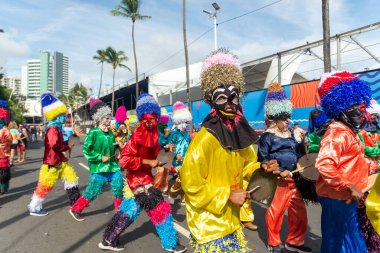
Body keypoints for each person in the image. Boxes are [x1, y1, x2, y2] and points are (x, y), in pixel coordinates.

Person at [181, 49, 260, 252]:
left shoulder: (238, 134)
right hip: (210, 227)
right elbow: (191, 184)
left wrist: (265, 170)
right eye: (222, 98)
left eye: (234, 98)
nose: (230, 104)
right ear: (212, 101)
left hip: (232, 221)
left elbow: (249, 166)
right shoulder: (205, 139)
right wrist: (226, 195)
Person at [99, 93, 186, 252]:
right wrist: (147, 162)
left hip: (146, 178)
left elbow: (156, 157)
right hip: (137, 180)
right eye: (147, 118)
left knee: (130, 209)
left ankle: (108, 239)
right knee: (160, 208)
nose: (150, 122)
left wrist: (170, 158)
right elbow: (124, 160)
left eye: (153, 118)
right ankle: (170, 244)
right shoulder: (136, 136)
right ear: (141, 118)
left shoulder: (153, 134)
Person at [316, 71, 371, 253]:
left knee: (353, 241)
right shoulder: (336, 133)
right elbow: (324, 164)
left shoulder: (350, 131)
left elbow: (355, 162)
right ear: (342, 108)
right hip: (337, 198)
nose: (360, 110)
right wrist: (348, 186)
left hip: (351, 197)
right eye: (355, 106)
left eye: (361, 106)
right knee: (334, 243)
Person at [258, 82, 311, 253]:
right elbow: (263, 160)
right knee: (276, 212)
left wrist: (304, 145)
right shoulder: (267, 137)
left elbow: (298, 154)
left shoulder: (290, 135)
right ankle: (273, 242)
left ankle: (294, 242)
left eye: (287, 119)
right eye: (284, 120)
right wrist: (277, 171)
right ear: (276, 119)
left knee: (300, 214)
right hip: (277, 181)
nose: (288, 122)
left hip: (294, 180)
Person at [69, 98, 123, 221]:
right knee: (93, 191)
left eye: (110, 118)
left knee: (118, 186)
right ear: (99, 118)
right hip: (99, 168)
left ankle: (118, 211)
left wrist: (118, 152)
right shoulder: (93, 133)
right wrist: (99, 157)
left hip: (113, 167)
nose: (110, 120)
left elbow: (113, 148)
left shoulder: (110, 133)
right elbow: (86, 151)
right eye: (107, 118)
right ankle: (75, 209)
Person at [28, 93, 81, 216]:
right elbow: (54, 145)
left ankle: (76, 203)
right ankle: (34, 208)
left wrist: (73, 138)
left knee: (71, 179)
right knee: (45, 185)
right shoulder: (52, 129)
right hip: (52, 162)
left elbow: (61, 142)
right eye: (63, 115)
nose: (65, 117)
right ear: (56, 115)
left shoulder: (57, 128)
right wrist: (68, 145)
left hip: (60, 160)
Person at [167, 101, 192, 205]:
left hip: (186, 159)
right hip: (177, 161)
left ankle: (183, 198)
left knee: (185, 179)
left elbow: (189, 145)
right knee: (181, 179)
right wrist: (175, 153)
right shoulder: (174, 133)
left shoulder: (186, 134)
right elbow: (170, 145)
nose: (184, 124)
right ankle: (172, 194)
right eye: (181, 122)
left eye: (185, 122)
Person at [0, 100, 13, 194]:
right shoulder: (5, 129)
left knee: (3, 175)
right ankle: (3, 188)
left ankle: (3, 188)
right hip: (3, 156)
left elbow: (9, 141)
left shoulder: (5, 130)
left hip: (3, 156)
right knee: (4, 175)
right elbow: (9, 140)